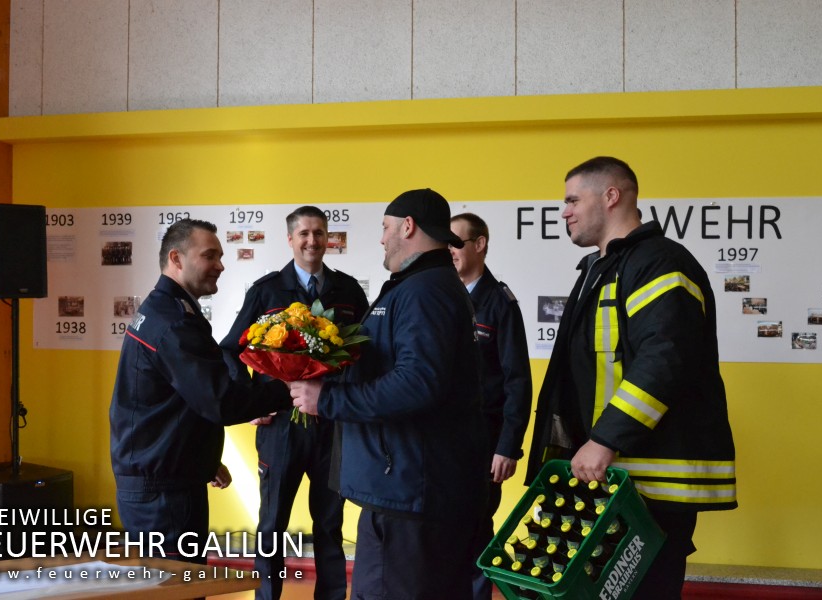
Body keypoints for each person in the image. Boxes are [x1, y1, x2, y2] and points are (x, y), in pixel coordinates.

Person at [525, 157, 737, 599]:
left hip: (646, 484)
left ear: (611, 196)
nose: (564, 211)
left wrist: (604, 439)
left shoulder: (659, 263)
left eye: (571, 199)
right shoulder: (601, 269)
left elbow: (665, 359)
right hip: (609, 476)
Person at [290, 189, 488, 600]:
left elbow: (418, 383)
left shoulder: (425, 290)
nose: (381, 239)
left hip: (409, 496)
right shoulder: (421, 285)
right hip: (409, 490)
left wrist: (325, 399)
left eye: (384, 228)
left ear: (408, 226)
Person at [110, 218, 290, 564]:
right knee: (177, 588)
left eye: (220, 256)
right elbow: (219, 401)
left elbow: (175, 398)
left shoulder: (163, 309)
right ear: (176, 259)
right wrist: (288, 390)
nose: (220, 265)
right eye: (210, 256)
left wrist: (202, 460)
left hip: (163, 479)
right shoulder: (174, 322)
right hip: (163, 494)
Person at [220, 206, 368, 600]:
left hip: (332, 425)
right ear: (290, 239)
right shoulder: (266, 290)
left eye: (319, 233)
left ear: (328, 238)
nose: (312, 241)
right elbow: (229, 351)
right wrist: (250, 403)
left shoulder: (349, 291)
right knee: (271, 525)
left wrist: (351, 404)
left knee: (330, 525)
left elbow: (368, 354)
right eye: (304, 233)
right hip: (281, 428)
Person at [450, 212, 532, 600]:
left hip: (484, 443)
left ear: (479, 245)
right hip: (441, 441)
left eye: (457, 243)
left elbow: (518, 381)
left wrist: (507, 446)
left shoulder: (500, 303)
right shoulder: (439, 296)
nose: (449, 251)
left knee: (479, 531)